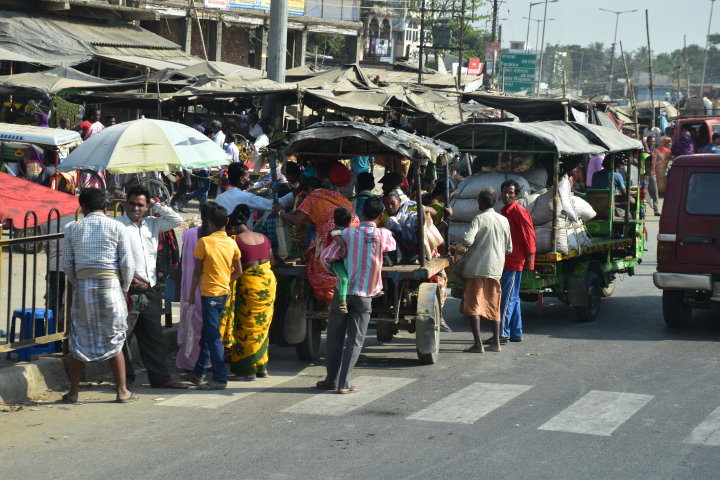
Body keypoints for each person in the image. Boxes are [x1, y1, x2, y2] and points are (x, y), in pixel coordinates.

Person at [62, 188, 137, 403]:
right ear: (104, 206)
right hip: (112, 287)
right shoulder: (117, 227)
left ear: (82, 207)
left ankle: (74, 393)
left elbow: (67, 265)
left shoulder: (73, 228)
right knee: (114, 337)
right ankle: (122, 391)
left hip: (84, 288)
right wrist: (123, 288)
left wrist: (81, 283)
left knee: (79, 339)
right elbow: (127, 264)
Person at [317, 196, 396, 393]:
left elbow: (326, 257)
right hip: (364, 296)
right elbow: (392, 247)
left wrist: (336, 271)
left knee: (334, 337)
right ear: (380, 215)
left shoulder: (347, 234)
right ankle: (344, 384)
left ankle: (331, 380)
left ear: (361, 214)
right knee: (355, 339)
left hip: (342, 294)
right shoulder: (383, 234)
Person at [116, 185, 187, 390]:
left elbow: (178, 221)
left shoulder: (153, 224)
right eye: (132, 203)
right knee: (123, 339)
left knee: (154, 338)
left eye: (140, 204)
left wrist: (158, 205)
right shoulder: (117, 225)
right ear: (125, 203)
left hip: (148, 291)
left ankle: (160, 378)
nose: (135, 208)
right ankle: (125, 381)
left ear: (147, 207)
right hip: (126, 291)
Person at [272, 176, 359, 305]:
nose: (303, 198)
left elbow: (297, 221)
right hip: (353, 223)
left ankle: (329, 302)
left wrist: (280, 212)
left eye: (303, 194)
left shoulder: (313, 196)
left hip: (334, 225)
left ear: (310, 189)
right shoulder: (332, 193)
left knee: (322, 265)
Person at [188, 204, 242, 390]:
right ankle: (199, 371)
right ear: (227, 222)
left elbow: (197, 272)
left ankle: (219, 378)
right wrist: (226, 282)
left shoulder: (205, 242)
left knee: (213, 337)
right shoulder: (232, 242)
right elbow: (238, 271)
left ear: (209, 223)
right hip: (223, 294)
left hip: (209, 295)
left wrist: (190, 295)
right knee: (209, 334)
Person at [222, 204, 277, 380]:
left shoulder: (234, 241)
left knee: (246, 327)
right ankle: (262, 368)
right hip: (268, 285)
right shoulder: (263, 237)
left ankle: (247, 370)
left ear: (231, 227)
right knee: (262, 326)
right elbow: (272, 262)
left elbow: (231, 267)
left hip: (250, 287)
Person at [457, 187, 512, 353]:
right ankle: (495, 343)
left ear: (481, 201)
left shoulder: (479, 219)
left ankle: (478, 344)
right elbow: (509, 248)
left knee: (474, 305)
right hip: (495, 269)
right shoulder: (504, 220)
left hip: (477, 268)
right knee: (493, 305)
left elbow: (467, 241)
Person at [176, 202, 217, 371]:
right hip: (210, 286)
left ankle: (189, 360)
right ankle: (207, 361)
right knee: (207, 324)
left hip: (190, 288)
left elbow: (183, 260)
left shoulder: (189, 234)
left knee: (191, 322)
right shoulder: (217, 238)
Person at [496, 180, 535, 344]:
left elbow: (529, 235)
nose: (507, 195)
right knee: (513, 297)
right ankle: (516, 333)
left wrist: (530, 257)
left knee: (506, 298)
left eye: (510, 193)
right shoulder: (504, 211)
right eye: (505, 192)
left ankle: (502, 334)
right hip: (506, 260)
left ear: (517, 195)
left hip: (515, 261)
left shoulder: (519, 211)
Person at [216, 162, 295, 231]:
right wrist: (297, 191)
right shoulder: (247, 197)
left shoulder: (218, 198)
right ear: (241, 179)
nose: (249, 180)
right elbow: (274, 204)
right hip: (242, 242)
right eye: (248, 177)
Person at [329, 207, 353, 313]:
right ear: (350, 220)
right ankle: (342, 302)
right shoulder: (337, 231)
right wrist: (343, 247)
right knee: (343, 279)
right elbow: (334, 235)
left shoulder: (351, 231)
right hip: (336, 262)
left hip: (347, 261)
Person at [647, 137, 663, 216]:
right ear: (647, 142)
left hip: (652, 174)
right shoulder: (643, 150)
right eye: (651, 141)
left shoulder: (656, 151)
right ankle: (642, 210)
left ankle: (656, 210)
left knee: (655, 193)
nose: (652, 143)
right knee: (643, 193)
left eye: (653, 141)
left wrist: (656, 163)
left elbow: (662, 157)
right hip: (644, 175)